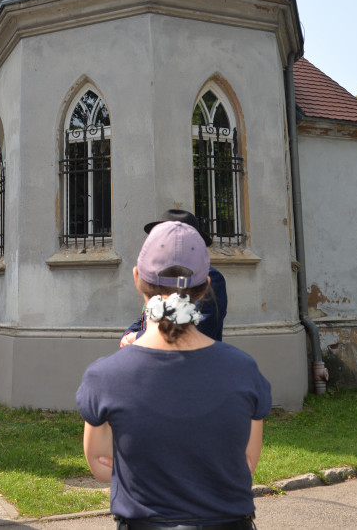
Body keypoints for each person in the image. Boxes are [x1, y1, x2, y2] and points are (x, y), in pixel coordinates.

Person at [77, 221, 271, 529]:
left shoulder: (105, 376)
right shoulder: (244, 370)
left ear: (137, 278)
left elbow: (100, 465)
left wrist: (139, 468)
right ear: (206, 285)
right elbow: (246, 465)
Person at [120, 209, 228, 346]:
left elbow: (198, 326)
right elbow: (148, 314)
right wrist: (128, 334)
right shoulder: (155, 274)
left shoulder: (210, 277)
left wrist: (138, 337)